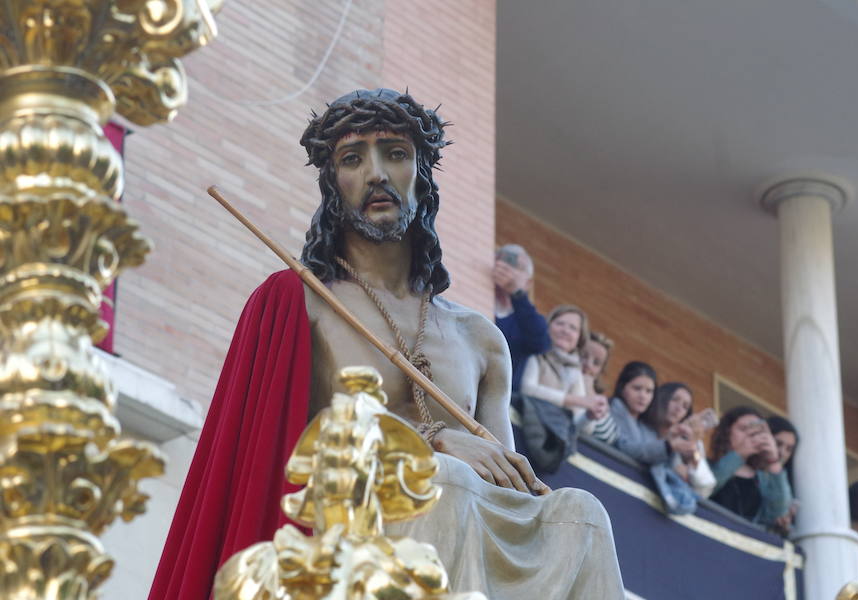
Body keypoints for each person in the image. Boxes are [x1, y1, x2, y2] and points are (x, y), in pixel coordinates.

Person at [150, 89, 625, 600]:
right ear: (334, 183)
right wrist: (430, 443)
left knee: (582, 515)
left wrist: (502, 477)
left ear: (420, 173)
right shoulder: (302, 301)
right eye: (353, 159)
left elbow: (502, 489)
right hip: (346, 537)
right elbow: (279, 448)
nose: (376, 172)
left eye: (395, 153)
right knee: (445, 482)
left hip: (460, 530)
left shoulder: (479, 339)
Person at [518, 305, 608, 472]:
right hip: (520, 435)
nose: (566, 330)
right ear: (548, 325)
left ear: (579, 339)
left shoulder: (574, 371)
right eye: (560, 323)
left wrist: (589, 414)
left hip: (548, 446)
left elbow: (583, 426)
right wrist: (574, 400)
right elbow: (527, 389)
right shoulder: (537, 353)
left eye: (573, 328)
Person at [609, 362, 698, 514]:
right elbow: (625, 447)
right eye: (637, 388)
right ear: (622, 387)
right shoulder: (616, 406)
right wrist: (669, 446)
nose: (643, 396)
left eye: (649, 391)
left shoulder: (646, 428)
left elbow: (654, 458)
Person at [708, 407, 791, 529]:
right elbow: (705, 488)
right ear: (727, 432)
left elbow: (777, 512)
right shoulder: (708, 464)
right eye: (743, 429)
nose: (750, 434)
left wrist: (773, 461)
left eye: (757, 431)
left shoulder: (762, 477)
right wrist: (739, 454)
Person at [642, 382, 716, 499]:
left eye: (685, 406)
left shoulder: (688, 441)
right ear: (662, 397)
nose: (678, 408)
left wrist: (694, 454)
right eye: (675, 400)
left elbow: (705, 488)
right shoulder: (640, 425)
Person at [494, 244, 551, 392]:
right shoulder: (480, 299)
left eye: (516, 266)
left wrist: (517, 294)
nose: (507, 268)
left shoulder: (524, 319)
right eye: (502, 261)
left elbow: (540, 342)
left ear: (528, 283)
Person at [582, 331, 617, 444]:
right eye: (584, 355)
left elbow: (609, 436)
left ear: (600, 371)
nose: (588, 364)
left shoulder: (601, 401)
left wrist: (589, 391)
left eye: (596, 363)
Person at [767, 415, 799, 536]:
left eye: (789, 449)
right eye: (778, 443)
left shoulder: (786, 483)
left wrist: (785, 527)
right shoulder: (749, 472)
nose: (782, 452)